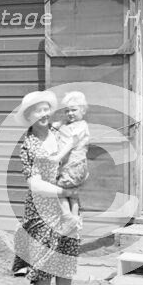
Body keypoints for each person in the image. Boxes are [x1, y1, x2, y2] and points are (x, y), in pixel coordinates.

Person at [13, 90, 81, 285]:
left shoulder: (58, 133)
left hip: (67, 205)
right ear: (29, 116)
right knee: (42, 259)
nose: (42, 114)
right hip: (41, 208)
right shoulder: (29, 145)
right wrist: (63, 193)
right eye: (36, 111)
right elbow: (33, 182)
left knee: (66, 254)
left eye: (45, 109)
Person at [50, 91, 90, 234]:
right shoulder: (69, 124)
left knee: (58, 191)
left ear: (83, 110)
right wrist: (60, 123)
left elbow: (70, 144)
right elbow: (55, 126)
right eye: (67, 111)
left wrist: (57, 157)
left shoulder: (80, 126)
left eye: (74, 110)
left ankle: (69, 218)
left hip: (73, 167)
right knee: (72, 194)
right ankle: (75, 219)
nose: (70, 113)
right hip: (69, 167)